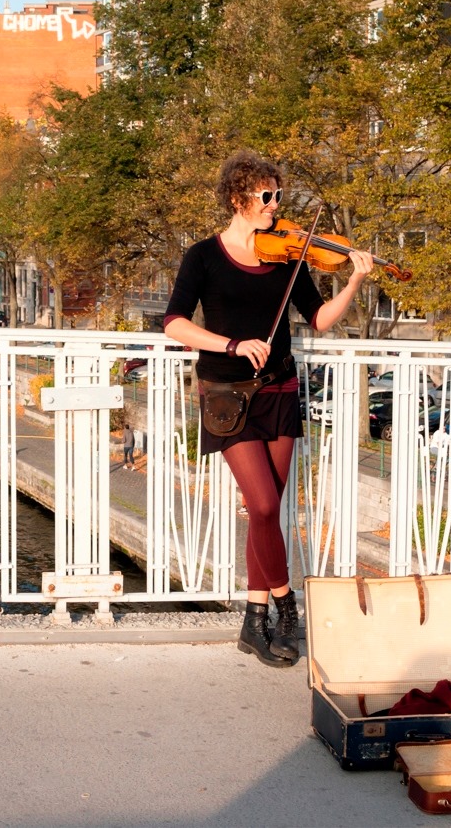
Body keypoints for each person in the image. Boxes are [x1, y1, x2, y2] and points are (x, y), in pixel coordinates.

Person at [163, 151, 374, 668]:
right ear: (239, 198)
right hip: (227, 396)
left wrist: (353, 281)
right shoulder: (203, 256)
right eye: (267, 197)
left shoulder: (287, 257)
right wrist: (232, 344)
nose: (276, 206)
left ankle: (253, 622)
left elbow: (319, 319)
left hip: (279, 390)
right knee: (260, 506)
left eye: (279, 195)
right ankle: (286, 605)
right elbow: (173, 324)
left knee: (268, 512)